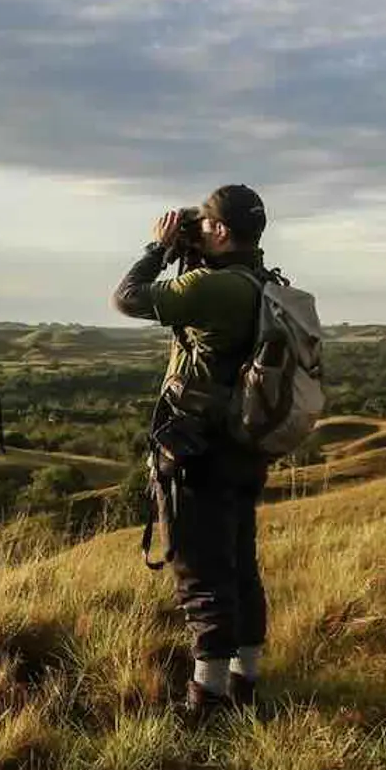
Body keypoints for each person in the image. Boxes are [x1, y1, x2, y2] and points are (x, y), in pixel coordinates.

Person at [111, 184, 274, 719]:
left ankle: (207, 698)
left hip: (199, 450)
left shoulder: (215, 287)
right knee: (238, 565)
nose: (196, 231)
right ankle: (245, 682)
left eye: (204, 224)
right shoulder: (259, 280)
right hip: (242, 445)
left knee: (201, 572)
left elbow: (128, 297)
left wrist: (159, 250)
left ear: (222, 231)